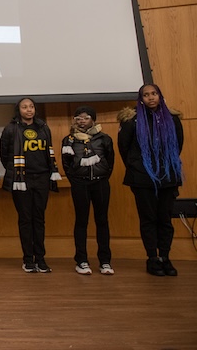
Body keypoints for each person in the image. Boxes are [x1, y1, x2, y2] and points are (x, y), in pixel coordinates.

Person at [118, 84, 184, 276]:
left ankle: (165, 257)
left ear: (159, 96)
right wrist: (138, 166)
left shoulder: (172, 120)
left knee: (165, 219)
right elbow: (124, 148)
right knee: (148, 219)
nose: (150, 98)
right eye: (146, 95)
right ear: (141, 99)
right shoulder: (133, 121)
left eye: (154, 94)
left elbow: (178, 145)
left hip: (168, 177)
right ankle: (152, 258)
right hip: (142, 178)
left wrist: (163, 166)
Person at [0, 97, 61, 274]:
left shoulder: (43, 127)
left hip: (41, 178)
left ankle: (41, 259)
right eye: (24, 107)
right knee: (25, 219)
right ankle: (28, 260)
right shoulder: (11, 129)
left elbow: (48, 150)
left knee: (39, 219)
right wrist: (15, 171)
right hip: (21, 180)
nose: (28, 110)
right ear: (18, 110)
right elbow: (4, 155)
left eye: (31, 107)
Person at [60, 106, 115, 276]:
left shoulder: (104, 138)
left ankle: (105, 261)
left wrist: (103, 177)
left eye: (86, 117)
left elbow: (110, 161)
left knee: (102, 221)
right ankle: (81, 260)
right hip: (80, 184)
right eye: (78, 118)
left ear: (93, 120)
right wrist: (76, 180)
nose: (81, 120)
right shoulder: (68, 140)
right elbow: (66, 164)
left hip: (100, 183)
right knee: (81, 221)